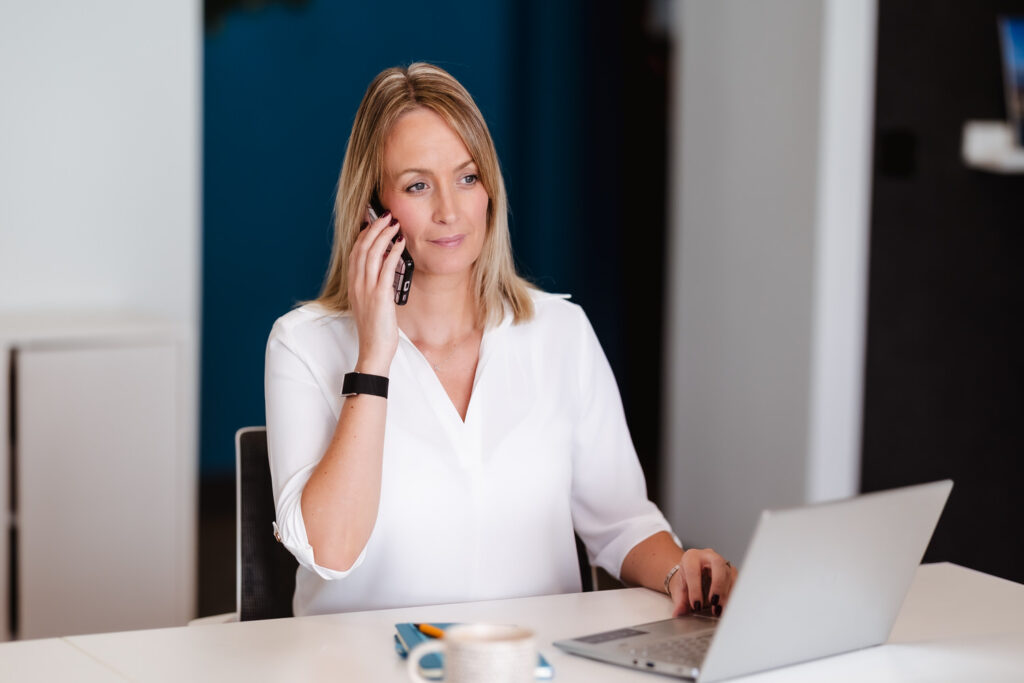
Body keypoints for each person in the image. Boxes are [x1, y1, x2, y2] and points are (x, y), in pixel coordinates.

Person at [265, 62, 736, 618]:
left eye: (467, 177)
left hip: (537, 666)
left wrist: (683, 571)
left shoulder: (560, 333)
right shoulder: (304, 344)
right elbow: (331, 551)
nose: (449, 210)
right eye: (418, 185)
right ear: (373, 209)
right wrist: (373, 357)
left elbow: (621, 523)